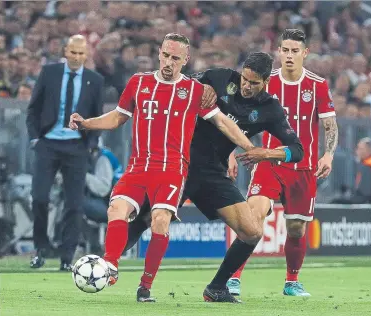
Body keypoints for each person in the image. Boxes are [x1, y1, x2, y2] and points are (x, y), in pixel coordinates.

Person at [69, 33, 258, 303]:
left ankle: (145, 286)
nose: (169, 62)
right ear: (160, 53)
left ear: (185, 60)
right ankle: (110, 266)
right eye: (166, 55)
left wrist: (248, 147)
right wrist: (87, 123)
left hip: (171, 169)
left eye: (176, 58)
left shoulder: (194, 91)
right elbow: (117, 117)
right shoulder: (139, 83)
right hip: (138, 167)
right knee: (116, 209)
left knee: (159, 220)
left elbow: (223, 123)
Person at [125, 51, 304, 303]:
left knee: (252, 231)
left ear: (266, 82)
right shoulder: (219, 77)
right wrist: (199, 86)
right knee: (144, 218)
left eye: (254, 83)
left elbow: (297, 150)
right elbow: (182, 84)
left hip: (211, 172)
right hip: (181, 162)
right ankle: (105, 263)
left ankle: (217, 288)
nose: (246, 86)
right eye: (245, 79)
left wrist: (268, 152)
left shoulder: (270, 110)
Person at [227, 29, 339, 297]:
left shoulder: (318, 85)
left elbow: (329, 124)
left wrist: (329, 154)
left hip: (304, 167)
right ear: (279, 52)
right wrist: (229, 152)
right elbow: (238, 119)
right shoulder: (266, 82)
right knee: (253, 216)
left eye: (294, 51)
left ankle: (292, 281)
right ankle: (233, 277)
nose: (289, 56)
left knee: (297, 227)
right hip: (269, 162)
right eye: (285, 50)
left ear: (305, 53)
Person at [26, 34, 104, 271]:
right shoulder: (49, 73)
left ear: (86, 55)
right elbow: (34, 108)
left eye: (81, 53)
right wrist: (35, 139)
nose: (77, 57)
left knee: (74, 203)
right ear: (65, 51)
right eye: (73, 52)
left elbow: (97, 116)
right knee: (39, 197)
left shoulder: (95, 80)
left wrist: (90, 145)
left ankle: (66, 257)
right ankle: (40, 248)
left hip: (76, 147)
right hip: (48, 143)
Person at [82, 141, 123, 254]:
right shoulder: (104, 155)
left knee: (75, 204)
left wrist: (82, 175)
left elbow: (102, 189)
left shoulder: (102, 159)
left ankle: (89, 245)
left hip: (112, 207)